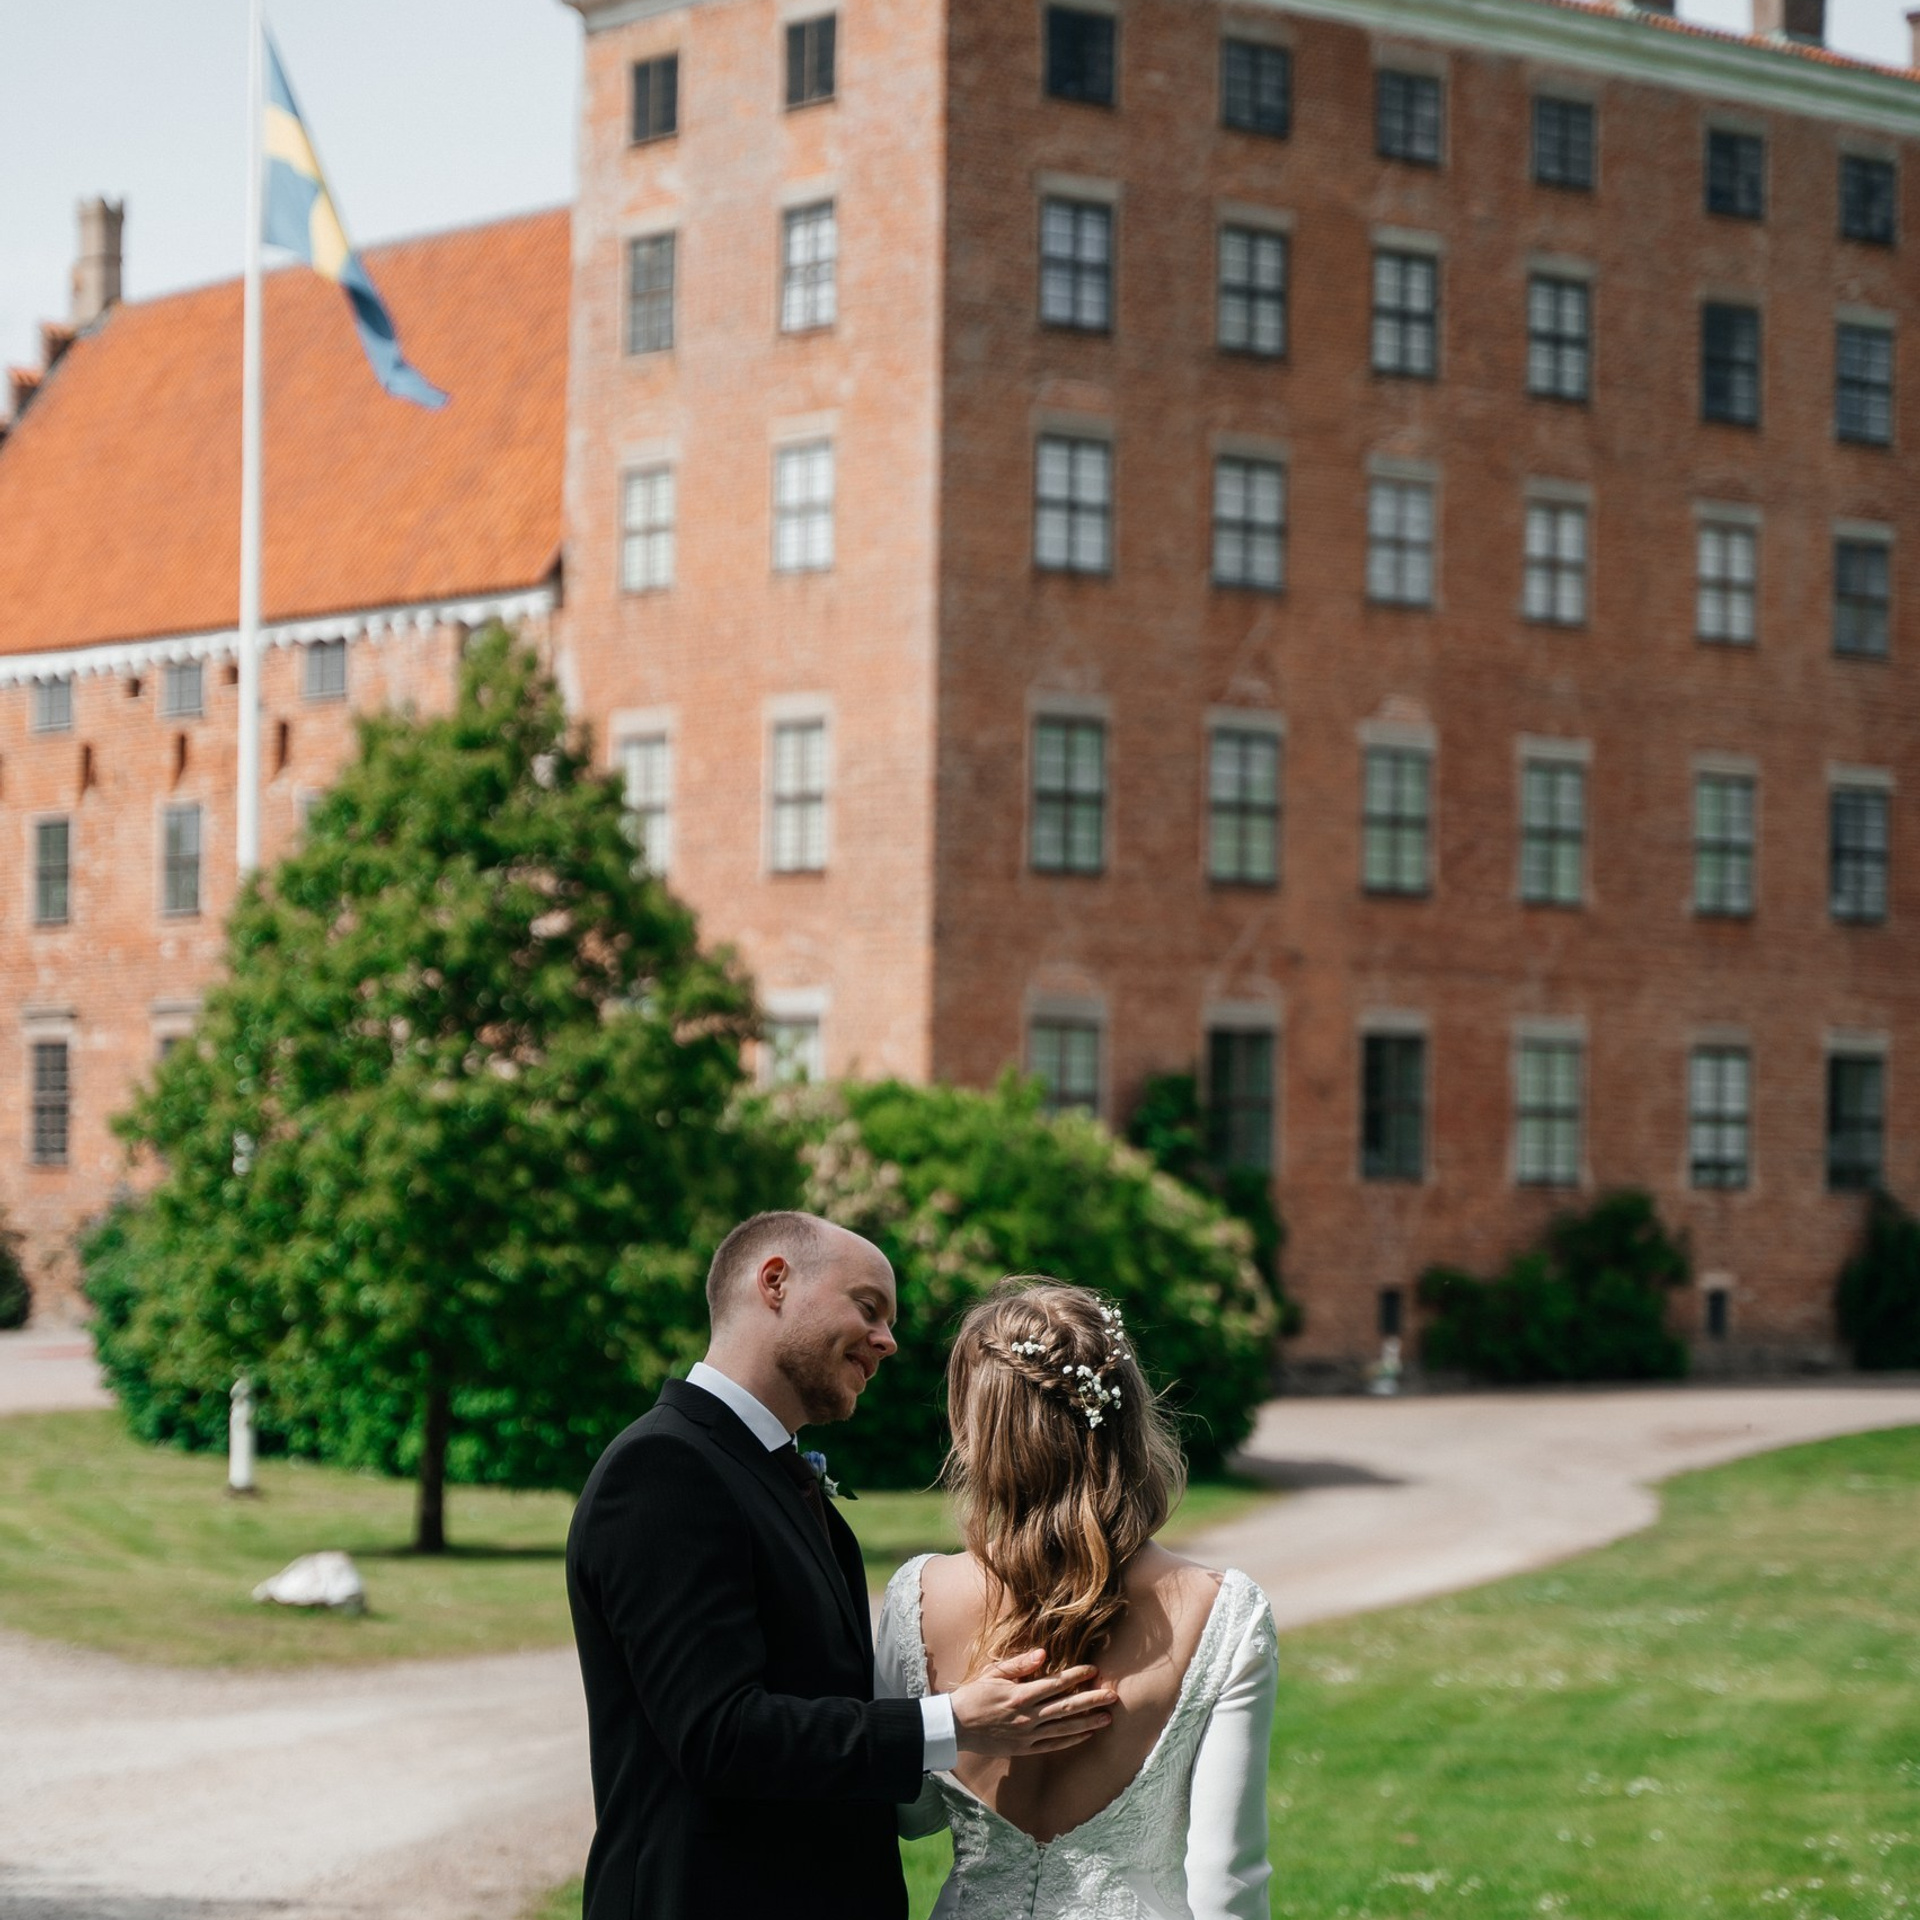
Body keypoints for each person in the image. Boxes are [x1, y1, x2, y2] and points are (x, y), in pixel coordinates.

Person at [566, 1212, 1121, 1920]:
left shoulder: (774, 1480)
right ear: (775, 1283)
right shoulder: (663, 1467)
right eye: (868, 1308)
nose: (888, 1341)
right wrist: (954, 1722)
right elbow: (719, 1736)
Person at [876, 1278, 1278, 1919]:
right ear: (1128, 1418)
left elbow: (912, 1814)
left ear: (976, 1435)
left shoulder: (919, 1596)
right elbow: (1227, 1882)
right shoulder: (1219, 1611)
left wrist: (958, 1726)